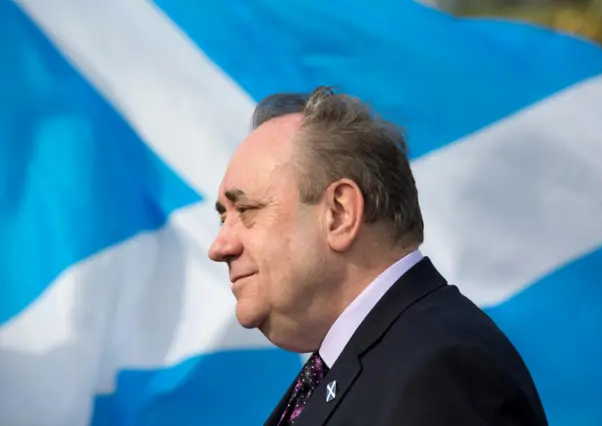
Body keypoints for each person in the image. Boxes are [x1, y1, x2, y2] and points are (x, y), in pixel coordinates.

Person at [209, 86, 548, 426]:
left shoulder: (438, 371)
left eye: (247, 209)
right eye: (224, 218)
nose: (219, 247)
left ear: (339, 214)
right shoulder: (376, 362)